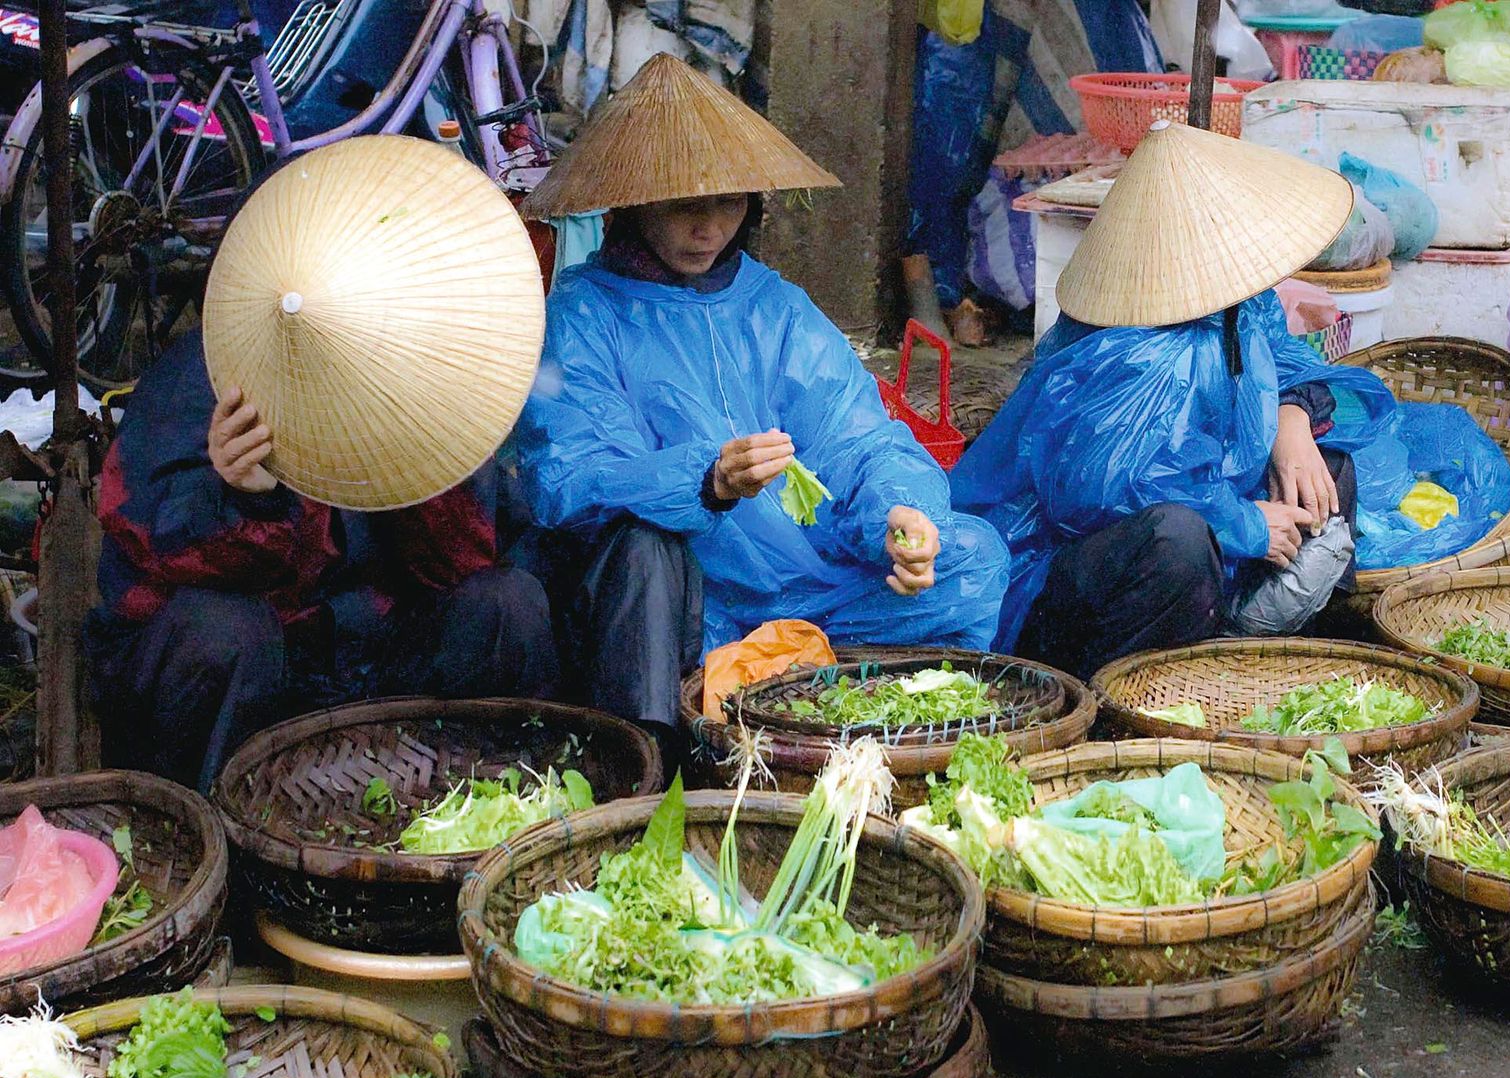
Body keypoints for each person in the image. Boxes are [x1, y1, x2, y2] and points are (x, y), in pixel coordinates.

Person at [514, 53, 1010, 740]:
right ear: (635, 203)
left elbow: (859, 438)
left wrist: (902, 517)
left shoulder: (776, 307)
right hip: (692, 603)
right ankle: (667, 746)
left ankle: (817, 688)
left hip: (811, 580)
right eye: (684, 206)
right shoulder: (582, 314)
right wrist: (707, 481)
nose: (708, 228)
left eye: (727, 203)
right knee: (644, 550)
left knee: (975, 556)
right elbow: (571, 478)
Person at [951, 123, 1395, 678]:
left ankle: (1269, 650)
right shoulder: (1136, 352)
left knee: (1326, 474)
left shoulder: (1237, 307)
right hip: (1054, 572)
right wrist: (1245, 523)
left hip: (1198, 508)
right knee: (1178, 542)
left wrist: (1293, 419)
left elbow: (1288, 366)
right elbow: (1099, 496)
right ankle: (1125, 695)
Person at [89, 333, 560, 792]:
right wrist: (250, 500)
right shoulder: (205, 371)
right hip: (260, 671)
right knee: (222, 633)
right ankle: (204, 831)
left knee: (507, 603)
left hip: (379, 659)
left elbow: (470, 555)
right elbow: (154, 547)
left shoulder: (413, 371)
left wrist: (417, 453)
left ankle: (491, 810)